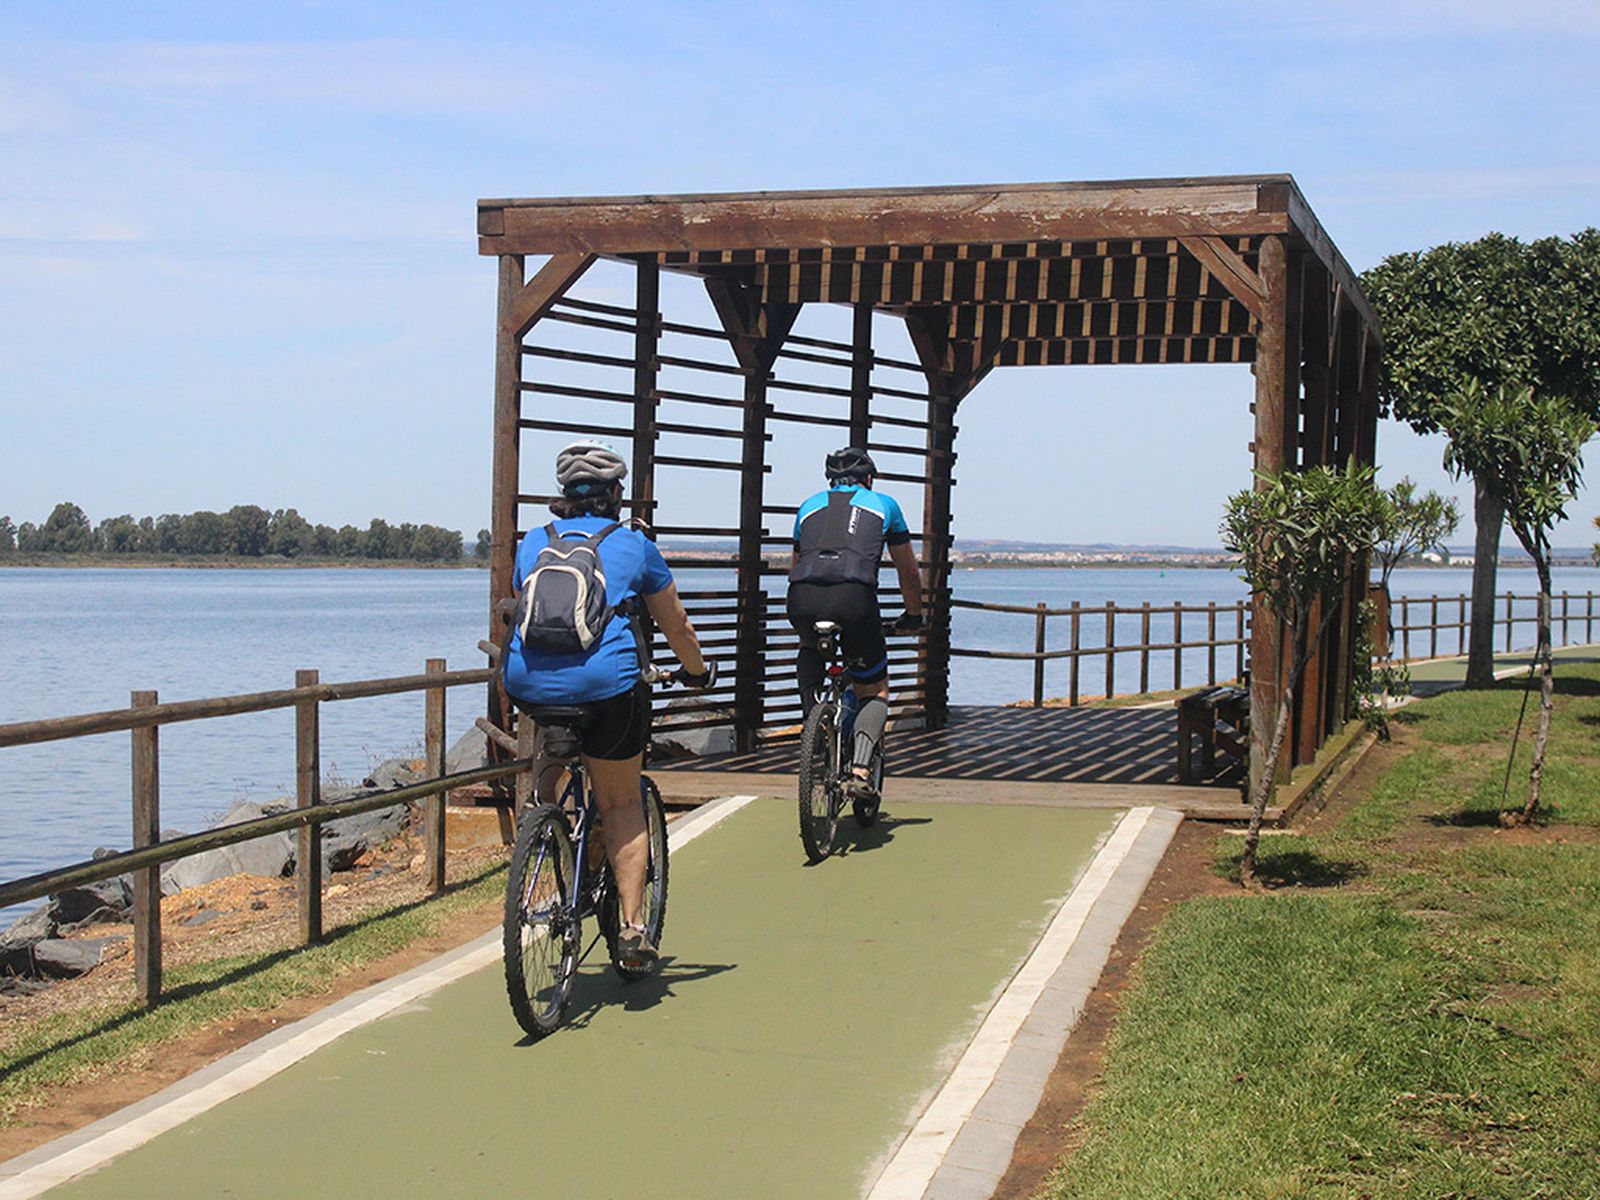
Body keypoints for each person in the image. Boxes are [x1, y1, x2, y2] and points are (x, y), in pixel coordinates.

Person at [502, 440, 712, 970]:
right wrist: (697, 671)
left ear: (564, 496)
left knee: (553, 736)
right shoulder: (633, 546)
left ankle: (546, 823)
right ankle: (633, 928)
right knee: (621, 803)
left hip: (528, 683)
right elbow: (676, 625)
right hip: (607, 686)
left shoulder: (533, 543)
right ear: (616, 494)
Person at [787, 447, 924, 802]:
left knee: (808, 647)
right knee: (874, 689)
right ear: (869, 479)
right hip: (854, 599)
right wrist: (914, 614)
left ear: (830, 481)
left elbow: (797, 563)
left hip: (802, 597)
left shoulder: (808, 506)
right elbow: (907, 570)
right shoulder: (884, 505)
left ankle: (811, 720)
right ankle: (861, 770)